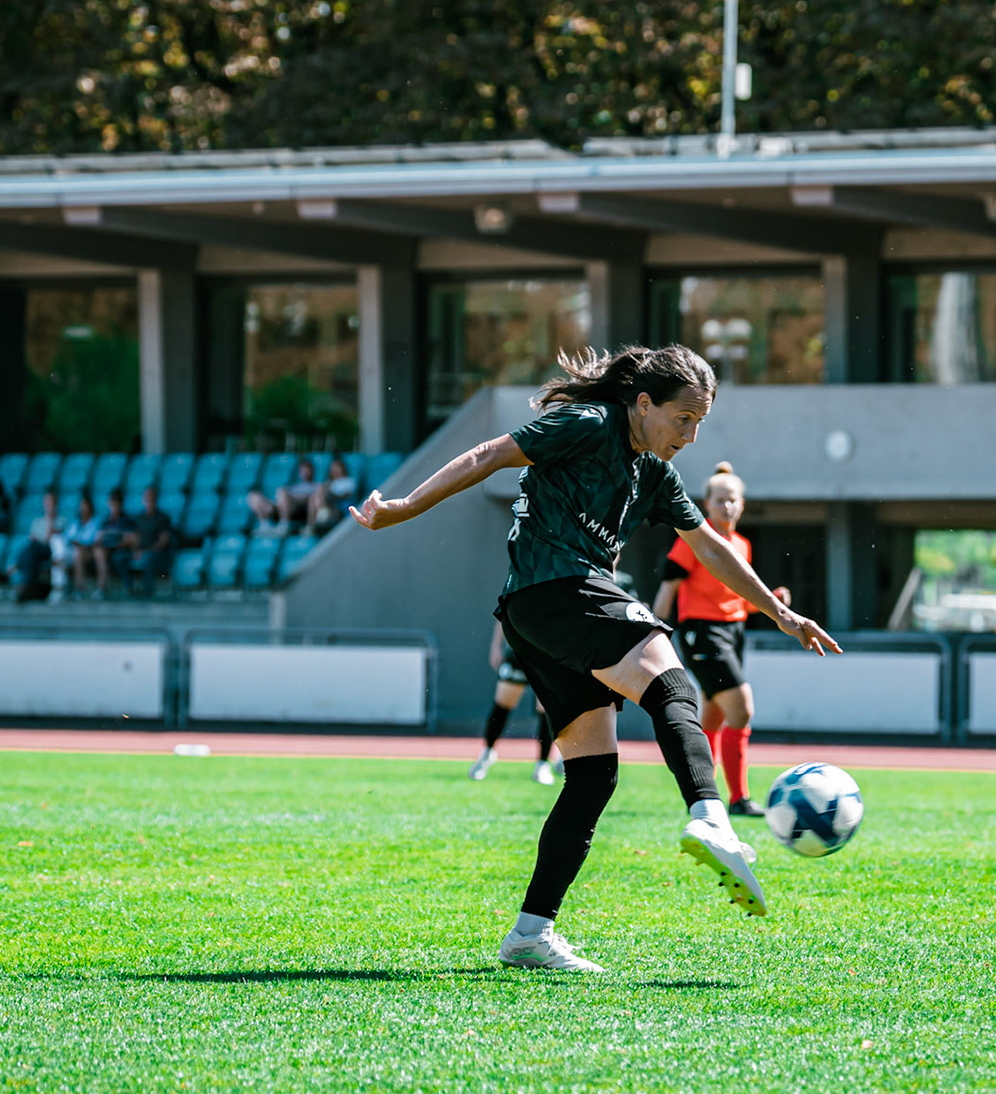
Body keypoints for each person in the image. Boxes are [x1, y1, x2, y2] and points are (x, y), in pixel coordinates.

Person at [351, 343, 839, 974]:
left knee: (592, 774)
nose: (690, 436)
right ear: (643, 403)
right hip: (559, 590)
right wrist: (404, 508)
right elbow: (487, 454)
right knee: (672, 683)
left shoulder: (655, 474)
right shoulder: (589, 423)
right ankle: (710, 816)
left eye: (699, 423)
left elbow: (712, 548)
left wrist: (780, 612)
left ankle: (530, 933)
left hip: (536, 613)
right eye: (682, 418)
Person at [651, 462, 789, 817]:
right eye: (720, 500)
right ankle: (739, 799)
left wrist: (772, 601)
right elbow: (668, 588)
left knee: (713, 718)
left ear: (742, 504)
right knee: (742, 708)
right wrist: (653, 632)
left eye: (733, 500)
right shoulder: (694, 540)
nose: (727, 506)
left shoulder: (742, 545)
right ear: (706, 504)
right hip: (702, 632)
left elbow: (740, 600)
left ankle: (706, 797)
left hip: (733, 633)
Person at [469, 621, 558, 786]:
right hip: (520, 651)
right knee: (503, 704)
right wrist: (496, 645)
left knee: (545, 708)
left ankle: (542, 764)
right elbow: (503, 614)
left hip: (548, 654)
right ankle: (487, 753)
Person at [116, 485, 175, 596]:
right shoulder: (139, 518)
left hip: (157, 553)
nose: (149, 499)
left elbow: (163, 541)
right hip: (140, 551)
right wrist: (135, 551)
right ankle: (129, 588)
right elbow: (134, 538)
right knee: (119, 557)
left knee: (148, 558)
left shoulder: (163, 518)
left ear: (156, 498)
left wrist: (147, 551)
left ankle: (147, 590)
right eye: (147, 497)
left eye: (152, 497)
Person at [246, 458, 321, 533]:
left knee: (283, 492)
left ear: (312, 471)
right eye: (302, 470)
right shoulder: (295, 486)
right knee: (253, 496)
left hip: (298, 510)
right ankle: (265, 525)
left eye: (307, 469)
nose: (305, 472)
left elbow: (312, 499)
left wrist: (289, 496)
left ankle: (284, 524)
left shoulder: (317, 486)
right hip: (280, 507)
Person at [12, 491, 61, 603]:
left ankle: (17, 576)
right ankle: (28, 586)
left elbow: (50, 539)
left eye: (51, 502)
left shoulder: (60, 520)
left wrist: (50, 519)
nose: (48, 505)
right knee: (29, 552)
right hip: (35, 551)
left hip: (50, 550)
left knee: (29, 551)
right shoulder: (37, 521)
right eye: (46, 502)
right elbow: (31, 538)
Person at [56, 492, 105, 601]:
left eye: (86, 506)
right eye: (82, 506)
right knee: (74, 553)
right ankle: (76, 589)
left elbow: (96, 539)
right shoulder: (75, 523)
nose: (84, 509)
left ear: (90, 507)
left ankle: (101, 589)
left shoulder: (96, 522)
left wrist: (83, 544)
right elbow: (67, 538)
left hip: (91, 550)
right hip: (78, 551)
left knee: (97, 552)